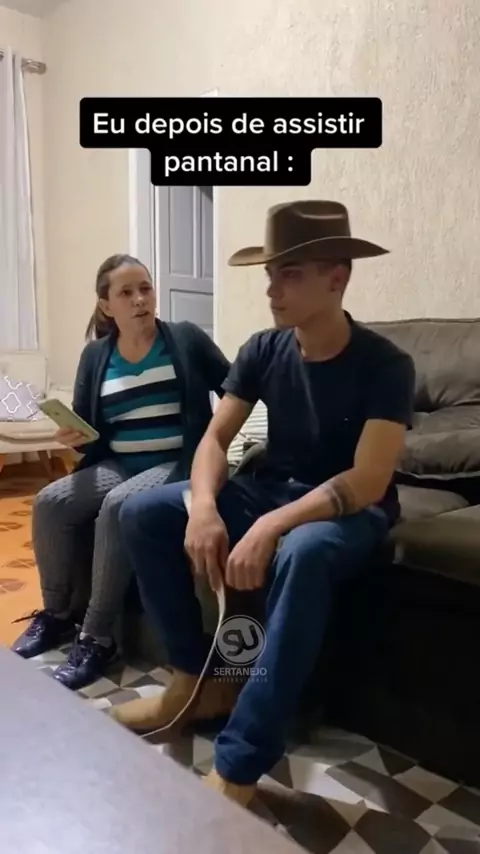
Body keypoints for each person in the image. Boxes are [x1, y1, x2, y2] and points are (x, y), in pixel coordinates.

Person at [108, 201, 416, 808]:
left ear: (337, 279)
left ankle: (241, 761)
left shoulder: (386, 364)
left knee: (303, 551)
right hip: (271, 488)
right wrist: (202, 505)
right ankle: (197, 682)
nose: (271, 290)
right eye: (270, 274)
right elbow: (215, 439)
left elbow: (369, 479)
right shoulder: (264, 348)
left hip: (349, 510)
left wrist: (272, 525)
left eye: (290, 275)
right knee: (144, 513)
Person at [11, 253, 230, 691]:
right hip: (116, 461)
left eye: (145, 288)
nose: (139, 299)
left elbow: (235, 388)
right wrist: (74, 437)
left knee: (117, 505)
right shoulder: (96, 356)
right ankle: (56, 614)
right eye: (126, 292)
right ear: (106, 305)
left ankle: (97, 636)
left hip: (176, 462)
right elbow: (88, 430)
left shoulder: (185, 339)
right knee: (50, 501)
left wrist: (220, 443)